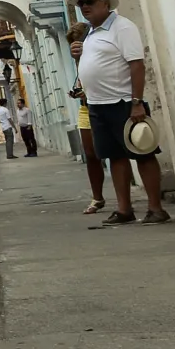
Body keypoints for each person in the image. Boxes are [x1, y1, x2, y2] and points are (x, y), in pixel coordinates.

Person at [73, 0, 170, 225]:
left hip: (123, 102)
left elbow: (136, 64)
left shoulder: (122, 28)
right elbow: (89, 69)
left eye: (90, 1)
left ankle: (156, 208)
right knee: (114, 156)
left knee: (143, 153)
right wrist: (78, 57)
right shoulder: (90, 33)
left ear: (105, 3)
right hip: (97, 104)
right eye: (81, 3)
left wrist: (136, 102)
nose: (84, 6)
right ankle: (124, 209)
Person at [67, 21, 107, 214]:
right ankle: (97, 197)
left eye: (78, 42)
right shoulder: (78, 60)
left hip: (105, 106)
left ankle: (125, 199)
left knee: (116, 154)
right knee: (91, 155)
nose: (76, 46)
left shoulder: (100, 51)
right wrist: (79, 92)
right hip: (86, 109)